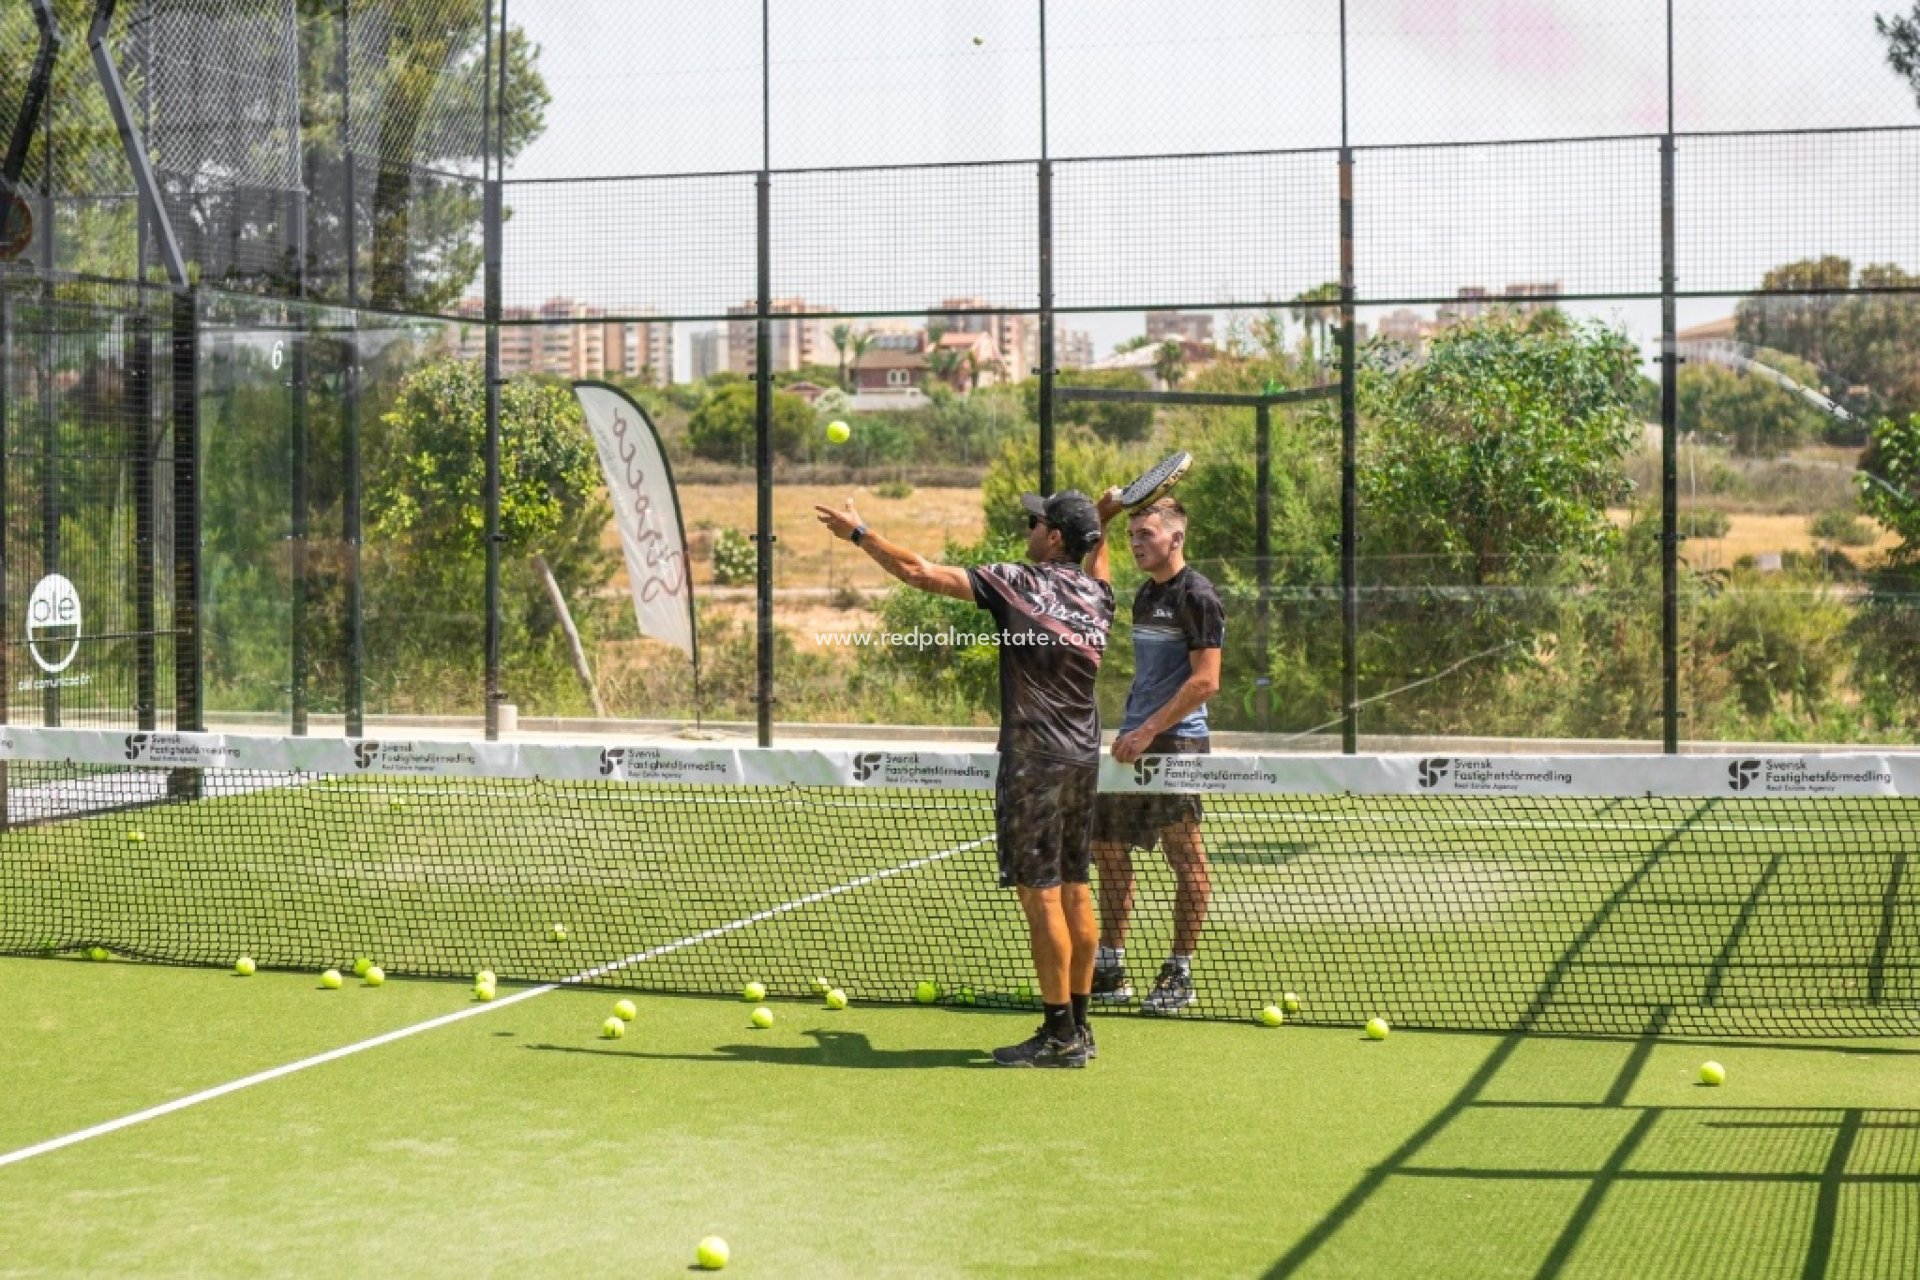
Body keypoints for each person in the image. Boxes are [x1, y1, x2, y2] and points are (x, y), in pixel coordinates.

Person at [815, 488, 1118, 1067]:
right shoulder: (1100, 596)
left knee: (1042, 897)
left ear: (1054, 537)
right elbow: (1098, 564)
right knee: (1076, 890)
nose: (1028, 527)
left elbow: (919, 572)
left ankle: (1059, 1034)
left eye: (1035, 521)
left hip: (1034, 761)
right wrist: (1101, 523)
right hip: (1083, 760)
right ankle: (1080, 1028)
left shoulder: (1019, 582)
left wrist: (860, 534)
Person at [1089, 496, 1223, 1015]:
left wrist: (1147, 730)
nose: (1136, 544)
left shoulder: (1198, 596)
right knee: (1105, 846)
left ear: (1176, 538)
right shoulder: (1146, 595)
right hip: (1136, 740)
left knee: (1184, 855)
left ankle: (1179, 972)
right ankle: (1110, 966)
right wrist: (1101, 524)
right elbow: (1096, 582)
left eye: (1145, 534)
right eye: (1132, 536)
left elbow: (1206, 681)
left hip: (1177, 742)